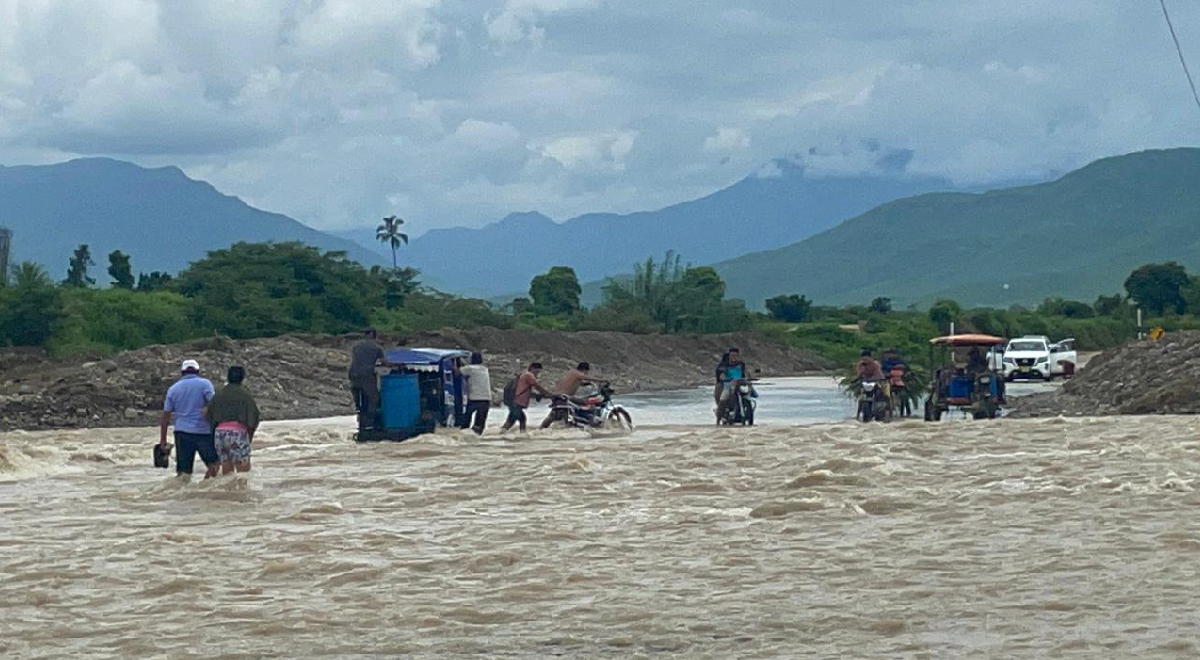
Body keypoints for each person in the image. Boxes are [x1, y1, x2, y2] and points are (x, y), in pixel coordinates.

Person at [160, 359, 218, 479]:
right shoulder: (205, 384)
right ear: (197, 371)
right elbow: (215, 404)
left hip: (182, 433)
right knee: (215, 465)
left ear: (182, 373)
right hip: (203, 432)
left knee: (183, 473)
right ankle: (205, 488)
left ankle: (182, 495)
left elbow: (166, 416)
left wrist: (163, 440)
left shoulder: (173, 389)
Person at [207, 365, 260, 474]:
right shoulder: (245, 395)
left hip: (219, 434)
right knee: (243, 471)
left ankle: (228, 491)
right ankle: (241, 491)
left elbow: (210, 416)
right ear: (242, 378)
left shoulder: (218, 394)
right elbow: (253, 419)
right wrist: (249, 438)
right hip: (237, 434)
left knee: (227, 471)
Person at [348, 329, 394, 430]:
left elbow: (358, 360)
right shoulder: (377, 348)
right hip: (366, 375)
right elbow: (384, 362)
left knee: (358, 395)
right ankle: (370, 422)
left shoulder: (356, 346)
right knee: (374, 398)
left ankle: (359, 412)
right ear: (374, 336)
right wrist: (396, 365)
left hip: (353, 374)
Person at [541, 362, 602, 428]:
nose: (585, 373)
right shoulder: (577, 373)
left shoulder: (572, 373)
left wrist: (587, 383)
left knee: (553, 415)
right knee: (583, 403)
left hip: (558, 396)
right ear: (584, 370)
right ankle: (586, 420)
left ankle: (540, 428)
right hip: (565, 397)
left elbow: (579, 382)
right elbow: (584, 377)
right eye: (586, 372)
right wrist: (601, 380)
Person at [501, 362, 550, 432]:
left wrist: (536, 395)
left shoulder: (524, 375)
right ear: (532, 368)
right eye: (537, 371)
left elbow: (524, 391)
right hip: (516, 403)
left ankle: (502, 435)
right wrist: (548, 394)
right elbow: (537, 386)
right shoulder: (529, 375)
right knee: (518, 420)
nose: (537, 374)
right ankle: (521, 435)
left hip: (514, 402)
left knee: (515, 420)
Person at [459, 352, 492, 434]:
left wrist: (454, 364)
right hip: (486, 398)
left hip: (474, 398)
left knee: (466, 421)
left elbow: (457, 372)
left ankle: (463, 436)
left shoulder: (470, 368)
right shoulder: (485, 369)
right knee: (479, 425)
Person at [715, 347, 749, 420]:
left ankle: (749, 408)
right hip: (729, 384)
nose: (734, 357)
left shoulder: (741, 364)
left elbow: (746, 373)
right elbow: (722, 374)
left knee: (750, 390)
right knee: (723, 398)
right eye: (732, 355)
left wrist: (751, 377)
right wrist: (723, 378)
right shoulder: (724, 365)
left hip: (740, 384)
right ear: (729, 356)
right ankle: (719, 416)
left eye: (736, 355)